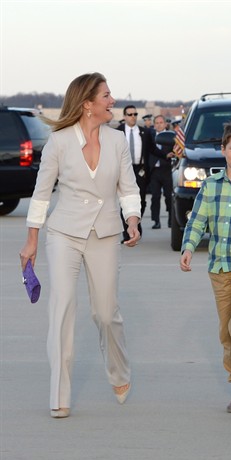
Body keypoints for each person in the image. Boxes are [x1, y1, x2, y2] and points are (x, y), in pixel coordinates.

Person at [19, 72, 141, 418]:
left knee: (105, 313)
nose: (112, 100)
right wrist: (32, 241)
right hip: (64, 234)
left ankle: (118, 371)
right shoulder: (59, 142)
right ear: (87, 103)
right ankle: (59, 394)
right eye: (106, 95)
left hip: (104, 235)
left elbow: (128, 188)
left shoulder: (117, 141)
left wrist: (132, 220)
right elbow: (42, 194)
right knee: (62, 307)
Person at [179, 120, 231, 416]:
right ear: (223, 149)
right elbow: (197, 220)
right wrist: (189, 247)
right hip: (219, 268)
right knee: (226, 331)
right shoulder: (211, 185)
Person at [116, 104, 150, 241]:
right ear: (124, 117)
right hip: (123, 169)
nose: (133, 117)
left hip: (139, 169)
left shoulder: (144, 133)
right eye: (130, 114)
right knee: (125, 200)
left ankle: (136, 224)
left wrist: (166, 155)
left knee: (140, 199)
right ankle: (126, 232)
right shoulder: (118, 133)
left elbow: (152, 149)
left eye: (135, 114)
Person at [148, 114, 174, 229]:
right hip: (154, 171)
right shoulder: (150, 136)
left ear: (165, 124)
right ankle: (156, 221)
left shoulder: (172, 136)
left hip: (167, 170)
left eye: (161, 123)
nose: (159, 125)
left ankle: (170, 219)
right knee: (155, 197)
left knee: (169, 197)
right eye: (157, 123)